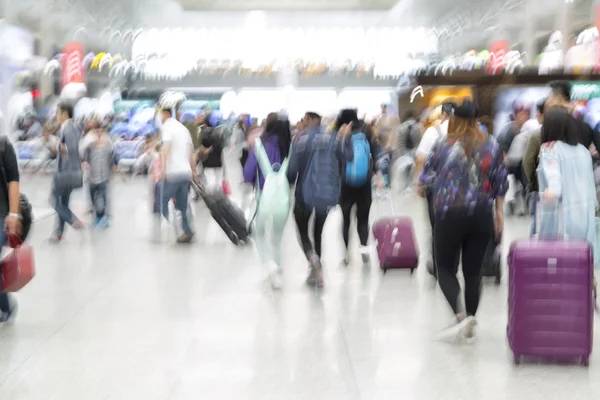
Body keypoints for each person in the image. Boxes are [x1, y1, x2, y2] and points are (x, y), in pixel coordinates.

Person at [419, 101, 507, 343]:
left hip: (450, 214)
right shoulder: (490, 144)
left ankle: (460, 316)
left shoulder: (443, 145)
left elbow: (425, 176)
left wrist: (429, 184)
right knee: (473, 272)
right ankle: (471, 316)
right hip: (481, 215)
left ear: (454, 119)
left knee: (444, 268)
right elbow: (501, 180)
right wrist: (499, 212)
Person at [287, 111, 353, 287]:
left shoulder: (301, 139)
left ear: (308, 120)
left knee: (301, 229)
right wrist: (345, 139)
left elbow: (292, 170)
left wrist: (288, 182)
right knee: (318, 231)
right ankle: (317, 271)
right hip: (328, 193)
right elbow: (348, 158)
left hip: (304, 193)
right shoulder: (333, 138)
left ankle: (313, 260)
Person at [537, 108, 598, 273]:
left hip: (560, 216)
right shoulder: (583, 151)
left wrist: (553, 190)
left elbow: (553, 176)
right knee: (583, 263)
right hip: (585, 216)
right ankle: (586, 294)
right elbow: (589, 183)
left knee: (556, 265)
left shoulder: (549, 149)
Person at [243, 120, 292, 289]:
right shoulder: (289, 146)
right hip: (283, 199)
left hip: (264, 197)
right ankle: (277, 271)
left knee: (258, 233)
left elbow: (248, 173)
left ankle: (270, 265)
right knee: (277, 238)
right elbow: (292, 174)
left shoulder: (259, 145)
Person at [337, 109, 384, 265]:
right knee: (363, 219)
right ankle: (363, 250)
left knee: (346, 220)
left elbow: (337, 159)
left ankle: (345, 254)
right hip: (364, 183)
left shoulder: (343, 135)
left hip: (346, 184)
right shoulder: (367, 133)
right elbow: (376, 155)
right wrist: (379, 177)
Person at [414, 103, 454, 278]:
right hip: (458, 188)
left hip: (435, 188)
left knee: (436, 226)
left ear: (444, 114)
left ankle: (438, 266)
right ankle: (451, 264)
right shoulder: (467, 133)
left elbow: (420, 158)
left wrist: (419, 183)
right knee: (455, 225)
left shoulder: (433, 132)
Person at [157, 93, 197, 243]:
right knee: (182, 204)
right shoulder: (183, 129)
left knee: (161, 201)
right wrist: (194, 174)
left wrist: (163, 171)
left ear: (165, 114)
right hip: (185, 172)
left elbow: (165, 149)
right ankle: (187, 230)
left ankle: (168, 230)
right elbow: (191, 154)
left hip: (173, 173)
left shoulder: (167, 127)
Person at [50, 102, 84, 243]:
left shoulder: (68, 128)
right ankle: (58, 234)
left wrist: (57, 147)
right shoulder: (74, 127)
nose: (57, 115)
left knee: (54, 201)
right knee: (63, 202)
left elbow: (71, 149)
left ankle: (73, 220)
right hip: (72, 172)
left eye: (58, 112)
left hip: (65, 172)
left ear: (65, 113)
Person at [0, 112, 23, 321]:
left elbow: (13, 180)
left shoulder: (4, 145)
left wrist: (14, 213)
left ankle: (5, 305)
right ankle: (4, 302)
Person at [545, 80, 600, 152]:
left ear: (558, 99)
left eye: (549, 97)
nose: (547, 102)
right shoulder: (585, 124)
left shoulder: (552, 126)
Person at [82, 125, 114, 228]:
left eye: (101, 132)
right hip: (92, 178)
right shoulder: (90, 147)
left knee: (104, 198)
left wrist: (115, 171)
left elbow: (113, 160)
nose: (99, 135)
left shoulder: (108, 146)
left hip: (104, 178)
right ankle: (98, 217)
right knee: (93, 199)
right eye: (97, 132)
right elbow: (84, 159)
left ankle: (104, 217)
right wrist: (85, 164)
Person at [523, 98, 546, 235]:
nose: (536, 115)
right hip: (560, 189)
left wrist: (533, 179)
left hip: (539, 187)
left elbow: (528, 161)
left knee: (536, 223)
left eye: (538, 111)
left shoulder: (537, 134)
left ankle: (535, 255)